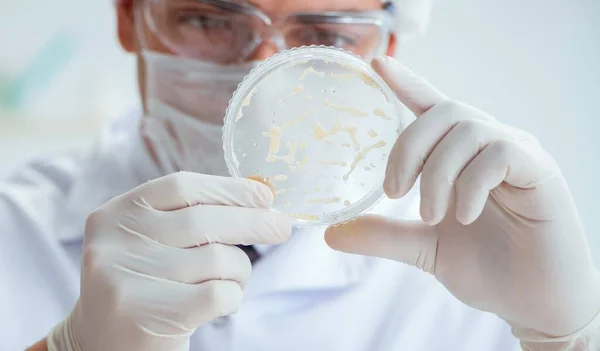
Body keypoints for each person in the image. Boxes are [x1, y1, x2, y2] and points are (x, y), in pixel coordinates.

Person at [2, 0, 599, 350]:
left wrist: (565, 338)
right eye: (212, 20)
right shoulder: (11, 228)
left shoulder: (476, 255)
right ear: (130, 17)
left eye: (324, 35)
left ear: (387, 44)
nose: (264, 72)